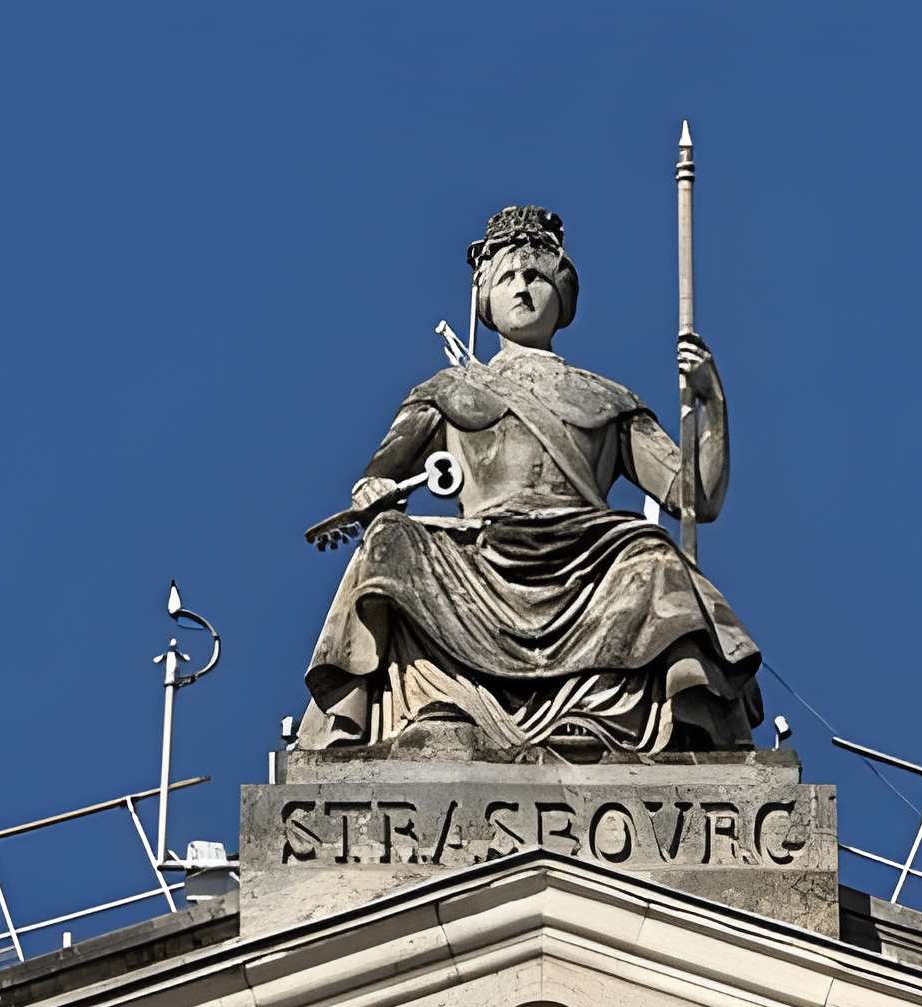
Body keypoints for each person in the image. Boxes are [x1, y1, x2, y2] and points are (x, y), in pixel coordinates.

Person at [298, 205, 763, 758]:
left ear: (562, 297)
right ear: (485, 299)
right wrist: (371, 494)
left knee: (653, 554)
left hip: (590, 558)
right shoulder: (447, 391)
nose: (522, 290)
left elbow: (694, 499)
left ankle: (592, 715)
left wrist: (712, 405)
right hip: (481, 555)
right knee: (389, 541)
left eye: (536, 276)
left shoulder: (609, 399)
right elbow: (378, 478)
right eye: (508, 278)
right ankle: (439, 707)